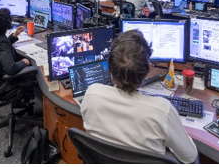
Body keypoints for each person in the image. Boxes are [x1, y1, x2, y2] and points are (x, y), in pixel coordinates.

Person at [80, 30, 198, 163]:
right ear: (147, 68)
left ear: (110, 66)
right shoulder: (161, 110)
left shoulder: (92, 94)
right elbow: (190, 157)